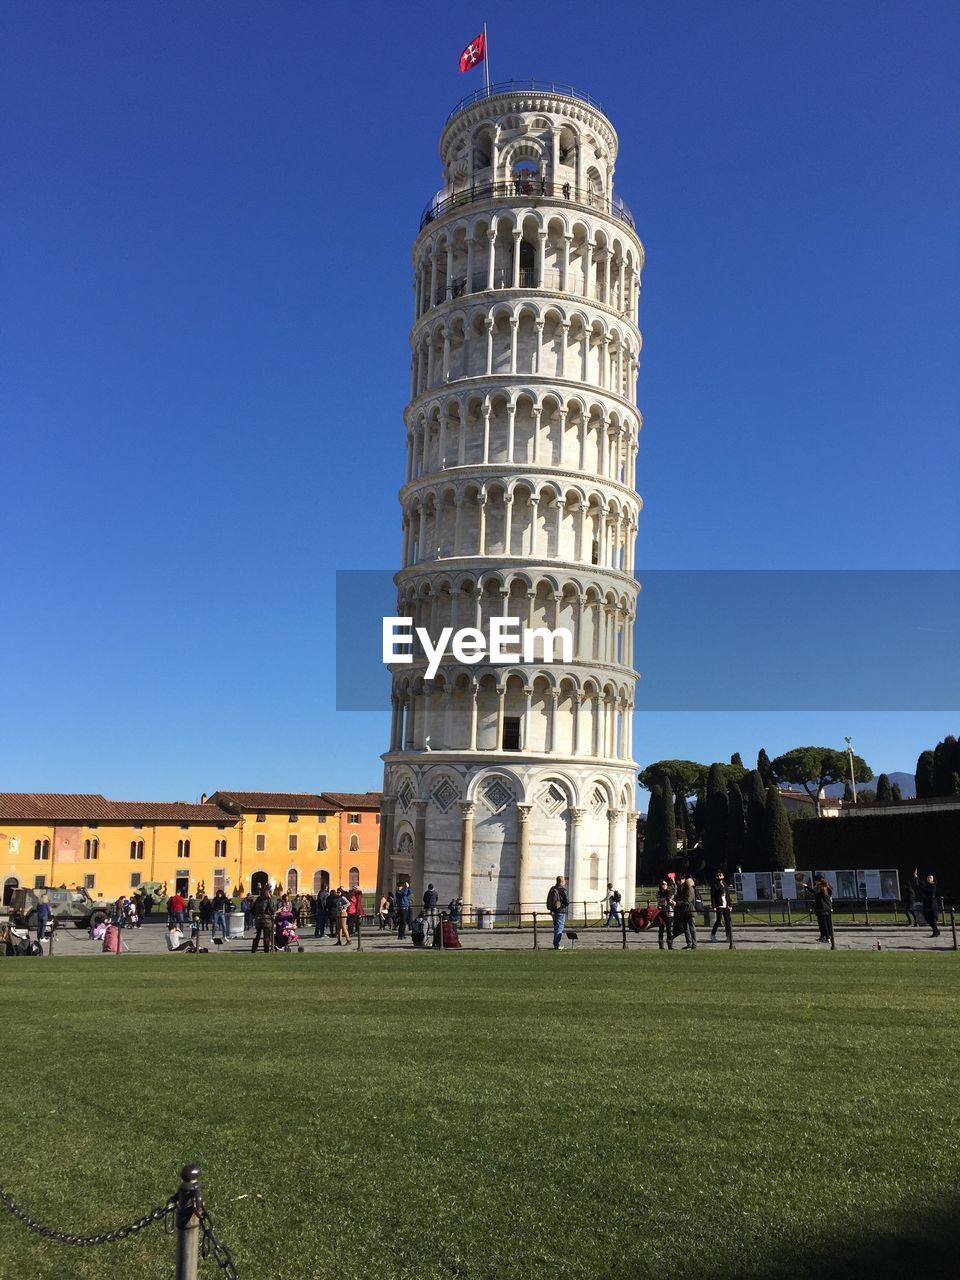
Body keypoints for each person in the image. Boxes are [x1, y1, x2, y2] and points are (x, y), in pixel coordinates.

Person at [804, 875, 833, 943]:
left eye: (815, 881)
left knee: (823, 924)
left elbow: (815, 892)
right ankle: (825, 936)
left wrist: (807, 887)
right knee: (827, 924)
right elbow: (829, 894)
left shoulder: (820, 887)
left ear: (818, 881)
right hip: (827, 907)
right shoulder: (827, 886)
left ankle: (826, 937)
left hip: (822, 908)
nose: (815, 882)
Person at [674, 875, 698, 950]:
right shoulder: (680, 888)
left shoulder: (689, 888)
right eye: (679, 879)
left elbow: (687, 900)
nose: (680, 880)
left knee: (692, 928)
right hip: (683, 911)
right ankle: (689, 943)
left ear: (684, 879)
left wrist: (677, 903)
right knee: (686, 928)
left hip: (690, 910)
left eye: (682, 879)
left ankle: (694, 943)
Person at [709, 870, 733, 944]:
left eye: (720, 875)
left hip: (725, 905)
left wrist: (730, 905)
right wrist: (714, 906)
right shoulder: (714, 885)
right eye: (718, 875)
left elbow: (728, 896)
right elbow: (713, 896)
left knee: (727, 921)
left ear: (723, 876)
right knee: (718, 920)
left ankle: (728, 936)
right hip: (719, 905)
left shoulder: (725, 884)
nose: (719, 877)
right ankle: (713, 934)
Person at [917, 870, 941, 938]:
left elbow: (927, 891)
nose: (929, 879)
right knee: (927, 918)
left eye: (930, 878)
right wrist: (916, 877)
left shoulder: (933, 886)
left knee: (932, 919)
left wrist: (922, 887)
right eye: (928, 878)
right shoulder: (926, 884)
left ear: (933, 879)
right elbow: (920, 884)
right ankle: (936, 931)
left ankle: (935, 931)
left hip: (931, 903)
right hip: (926, 903)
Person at [546, 875, 568, 950]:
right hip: (561, 911)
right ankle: (557, 944)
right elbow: (567, 902)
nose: (565, 882)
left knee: (556, 927)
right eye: (564, 880)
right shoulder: (563, 890)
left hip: (553, 911)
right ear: (561, 882)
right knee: (559, 928)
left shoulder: (553, 889)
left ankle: (555, 944)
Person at [250, 889, 275, 953]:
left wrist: (256, 915)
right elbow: (272, 910)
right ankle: (266, 950)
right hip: (266, 920)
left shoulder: (257, 901)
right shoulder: (268, 900)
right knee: (266, 936)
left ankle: (254, 949)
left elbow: (252, 911)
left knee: (257, 935)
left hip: (258, 920)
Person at [655, 879, 675, 950]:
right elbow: (660, 900)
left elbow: (674, 891)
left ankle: (670, 944)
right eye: (663, 884)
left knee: (669, 929)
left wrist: (673, 881)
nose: (664, 885)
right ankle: (661, 944)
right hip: (661, 912)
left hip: (669, 912)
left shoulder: (669, 892)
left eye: (666, 884)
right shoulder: (658, 893)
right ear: (660, 885)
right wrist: (668, 899)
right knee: (661, 929)